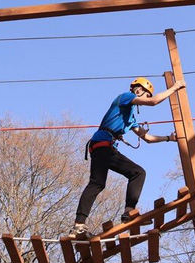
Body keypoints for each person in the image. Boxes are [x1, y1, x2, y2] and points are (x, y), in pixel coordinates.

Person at [72, 76, 185, 236]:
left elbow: (147, 138)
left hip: (107, 148)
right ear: (139, 90)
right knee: (98, 183)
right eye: (145, 95)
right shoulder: (125, 97)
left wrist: (168, 138)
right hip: (102, 144)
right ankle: (79, 225)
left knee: (136, 173)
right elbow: (153, 102)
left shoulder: (131, 118)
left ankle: (128, 213)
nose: (144, 99)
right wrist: (175, 87)